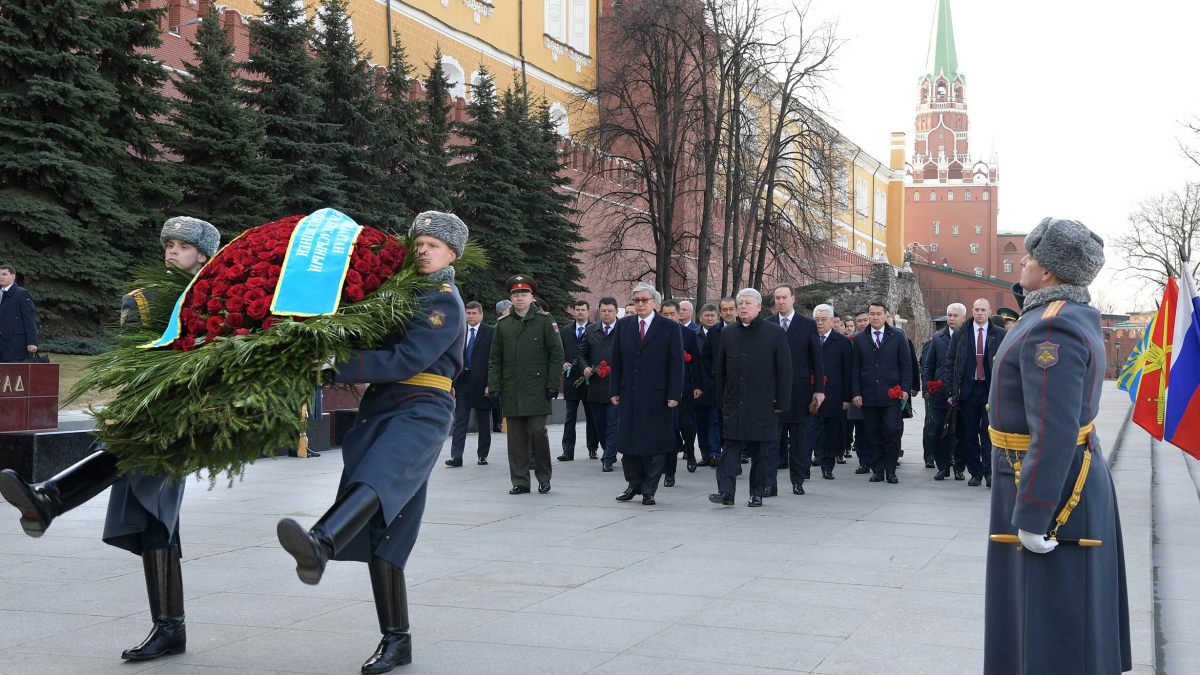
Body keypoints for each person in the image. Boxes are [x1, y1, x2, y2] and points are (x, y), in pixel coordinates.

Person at [0, 217, 220, 662]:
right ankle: (169, 628)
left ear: (205, 254)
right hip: (149, 409)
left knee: (151, 498)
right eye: (169, 244)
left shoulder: (224, 295)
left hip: (193, 414)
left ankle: (51, 499)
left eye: (182, 245)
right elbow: (131, 359)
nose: (171, 251)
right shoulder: (141, 300)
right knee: (153, 511)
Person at [275, 211, 466, 673]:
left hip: (422, 407)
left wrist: (333, 366)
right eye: (418, 241)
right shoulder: (398, 293)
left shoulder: (445, 300)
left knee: (375, 478)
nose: (422, 249)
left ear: (452, 255)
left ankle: (322, 541)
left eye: (434, 245)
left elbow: (405, 358)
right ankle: (396, 640)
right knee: (388, 531)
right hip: (382, 406)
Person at [985, 217, 1130, 675]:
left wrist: (1032, 513)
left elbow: (1054, 428)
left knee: (1051, 621)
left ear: (1048, 272)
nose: (1022, 260)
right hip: (1050, 474)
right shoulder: (1062, 313)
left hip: (1048, 484)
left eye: (1030, 256)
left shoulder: (1052, 329)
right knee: (1048, 613)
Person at [709, 288, 791, 507]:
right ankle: (726, 492)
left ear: (757, 306)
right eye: (740, 304)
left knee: (760, 451)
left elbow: (784, 370)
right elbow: (721, 371)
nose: (742, 307)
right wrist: (720, 401)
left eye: (747, 303)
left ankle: (757, 492)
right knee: (730, 449)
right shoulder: (728, 333)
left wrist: (781, 402)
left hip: (763, 402)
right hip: (734, 401)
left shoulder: (774, 333)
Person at [486, 274, 564, 495]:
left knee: (537, 431)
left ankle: (544, 477)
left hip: (538, 387)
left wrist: (552, 384)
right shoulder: (503, 324)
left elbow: (557, 354)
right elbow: (495, 358)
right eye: (515, 295)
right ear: (511, 298)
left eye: (524, 294)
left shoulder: (544, 320)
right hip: (512, 388)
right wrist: (495, 386)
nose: (519, 298)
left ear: (532, 297)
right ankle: (520, 481)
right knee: (516, 437)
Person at [609, 283, 683, 505]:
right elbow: (617, 359)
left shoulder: (669, 327)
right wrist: (614, 389)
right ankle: (633, 484)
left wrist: (674, 393)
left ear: (655, 303)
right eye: (636, 300)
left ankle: (650, 488)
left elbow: (676, 363)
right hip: (630, 393)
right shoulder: (623, 325)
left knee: (654, 443)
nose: (640, 304)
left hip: (657, 395)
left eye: (644, 300)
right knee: (629, 441)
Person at [766, 284, 824, 496]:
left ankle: (798, 480)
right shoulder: (767, 324)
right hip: (773, 392)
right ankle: (770, 483)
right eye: (777, 298)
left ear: (792, 298)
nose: (780, 301)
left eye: (784, 297)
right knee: (772, 440)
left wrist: (819, 390)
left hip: (800, 392)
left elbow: (817, 359)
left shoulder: (807, 324)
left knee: (799, 441)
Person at [947, 298, 1007, 487]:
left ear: (990, 312)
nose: (979, 313)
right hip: (968, 390)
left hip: (990, 390)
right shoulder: (961, 334)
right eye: (976, 309)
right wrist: (951, 390)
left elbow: (1008, 365)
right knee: (969, 433)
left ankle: (990, 472)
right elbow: (950, 363)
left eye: (983, 310)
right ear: (972, 311)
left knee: (988, 432)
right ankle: (975, 473)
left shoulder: (1000, 334)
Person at [851, 301, 911, 484]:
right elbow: (855, 368)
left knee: (892, 430)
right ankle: (877, 469)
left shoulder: (898, 336)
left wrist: (906, 389)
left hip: (892, 394)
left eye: (878, 314)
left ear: (886, 315)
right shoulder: (860, 338)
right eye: (872, 314)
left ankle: (891, 470)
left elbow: (906, 365)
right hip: (869, 394)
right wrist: (856, 392)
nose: (875, 317)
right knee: (872, 433)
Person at [447, 301, 496, 467]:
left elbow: (494, 359)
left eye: (474, 313)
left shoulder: (490, 332)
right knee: (460, 419)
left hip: (482, 382)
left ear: (481, 315)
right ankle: (456, 456)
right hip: (463, 381)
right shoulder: (460, 331)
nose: (470, 316)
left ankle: (483, 455)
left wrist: (491, 383)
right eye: (468, 313)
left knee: (483, 420)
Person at [659, 300, 704, 481]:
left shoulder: (688, 334)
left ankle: (691, 452)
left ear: (679, 315)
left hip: (685, 387)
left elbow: (696, 362)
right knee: (670, 429)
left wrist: (698, 386)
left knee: (686, 424)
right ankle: (670, 471)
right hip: (663, 388)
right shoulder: (657, 334)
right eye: (666, 314)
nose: (669, 318)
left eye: (672, 314)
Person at [808, 304, 852, 482]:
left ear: (833, 320)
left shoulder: (842, 341)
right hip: (809, 394)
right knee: (809, 430)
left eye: (823, 319)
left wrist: (847, 397)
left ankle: (828, 465)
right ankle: (805, 465)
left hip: (834, 395)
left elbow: (847, 371)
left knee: (831, 432)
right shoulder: (808, 338)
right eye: (817, 320)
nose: (819, 323)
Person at [576, 297, 620, 471]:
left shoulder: (624, 329)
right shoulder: (591, 330)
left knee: (613, 423)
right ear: (599, 311)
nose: (606, 314)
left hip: (616, 387)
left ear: (616, 311)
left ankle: (608, 457)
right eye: (603, 311)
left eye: (610, 310)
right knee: (600, 424)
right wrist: (585, 367)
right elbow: (582, 354)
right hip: (595, 387)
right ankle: (608, 449)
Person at [924, 306, 964, 480]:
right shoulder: (938, 339)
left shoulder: (967, 337)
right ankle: (943, 466)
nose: (952, 318)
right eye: (949, 315)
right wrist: (927, 388)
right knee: (941, 429)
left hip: (962, 391)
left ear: (963, 318)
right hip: (940, 391)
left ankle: (959, 467)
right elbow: (929, 365)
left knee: (961, 431)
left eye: (956, 316)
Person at [559, 299, 596, 461]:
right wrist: (563, 363)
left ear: (588, 312)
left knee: (591, 416)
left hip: (589, 379)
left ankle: (592, 448)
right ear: (574, 312)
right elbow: (559, 351)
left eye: (583, 310)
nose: (580, 312)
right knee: (570, 417)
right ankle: (568, 450)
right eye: (577, 310)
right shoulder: (566, 331)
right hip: (571, 379)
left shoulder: (595, 329)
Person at [694, 303, 721, 466]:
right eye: (707, 316)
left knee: (715, 420)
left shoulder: (721, 333)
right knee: (700, 422)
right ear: (700, 317)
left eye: (712, 315)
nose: (710, 318)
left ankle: (715, 453)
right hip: (698, 386)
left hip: (715, 386)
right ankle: (704, 453)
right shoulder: (693, 335)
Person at [0, 265, 39, 363]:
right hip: (1, 345)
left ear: (13, 276)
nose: (1, 277)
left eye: (4, 274)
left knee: (14, 376)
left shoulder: (22, 294)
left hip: (16, 346)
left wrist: (32, 342)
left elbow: (29, 319)